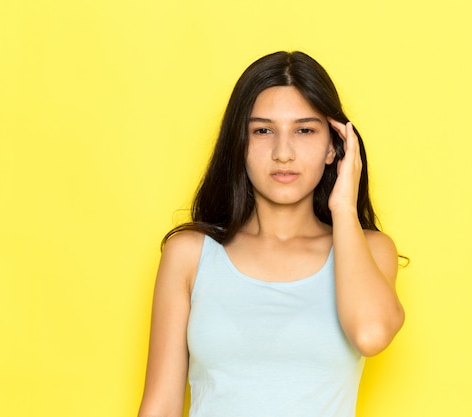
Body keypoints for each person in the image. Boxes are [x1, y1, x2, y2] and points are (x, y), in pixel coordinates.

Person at [138, 51, 405, 417]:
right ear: (240, 144)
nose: (283, 153)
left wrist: (343, 207)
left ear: (335, 146)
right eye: (263, 130)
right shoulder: (189, 255)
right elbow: (160, 407)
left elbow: (372, 335)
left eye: (304, 130)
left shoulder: (370, 251)